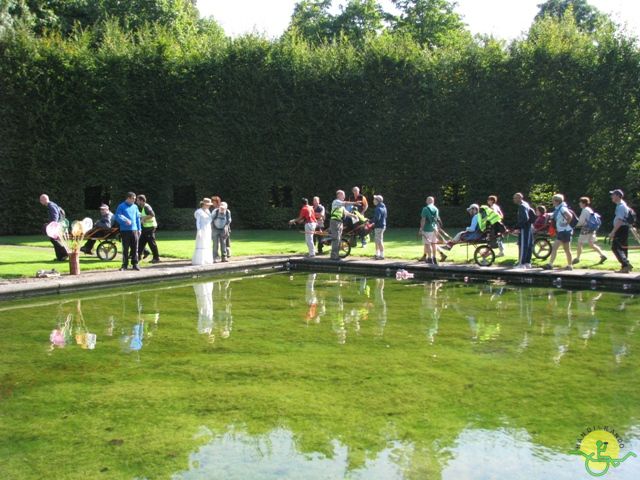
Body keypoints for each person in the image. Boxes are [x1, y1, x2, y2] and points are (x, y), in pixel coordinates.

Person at [543, 194, 574, 270]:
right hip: (563, 231)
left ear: (557, 201)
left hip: (564, 231)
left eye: (553, 200)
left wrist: (566, 223)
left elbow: (570, 216)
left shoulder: (562, 208)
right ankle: (569, 266)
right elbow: (555, 214)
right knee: (564, 249)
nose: (552, 202)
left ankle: (551, 264)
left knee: (558, 248)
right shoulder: (559, 208)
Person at [573, 196, 607, 265]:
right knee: (591, 244)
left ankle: (577, 258)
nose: (579, 204)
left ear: (583, 203)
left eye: (580, 202)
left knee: (580, 243)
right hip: (592, 228)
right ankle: (602, 255)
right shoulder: (589, 209)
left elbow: (581, 221)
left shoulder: (585, 210)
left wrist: (574, 226)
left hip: (586, 228)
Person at [115, 192, 142, 271]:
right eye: (133, 198)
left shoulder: (135, 207)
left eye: (135, 198)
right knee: (125, 248)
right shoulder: (121, 206)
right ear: (128, 198)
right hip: (125, 230)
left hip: (135, 230)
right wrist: (124, 221)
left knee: (135, 248)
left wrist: (139, 229)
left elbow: (137, 218)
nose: (134, 200)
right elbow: (117, 216)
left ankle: (135, 264)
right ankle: (124, 265)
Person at [609, 189, 634, 273]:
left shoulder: (621, 206)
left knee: (615, 247)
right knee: (623, 248)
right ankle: (625, 267)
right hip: (623, 228)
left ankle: (626, 265)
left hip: (621, 228)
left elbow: (620, 220)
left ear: (617, 196)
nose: (611, 196)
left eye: (613, 195)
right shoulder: (621, 205)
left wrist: (613, 232)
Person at [329, 190, 359, 260]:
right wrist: (355, 203)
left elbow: (346, 213)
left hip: (339, 222)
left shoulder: (341, 206)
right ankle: (334, 256)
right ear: (338, 195)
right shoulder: (336, 202)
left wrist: (353, 216)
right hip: (335, 222)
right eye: (343, 195)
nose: (344, 196)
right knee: (336, 239)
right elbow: (345, 203)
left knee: (339, 239)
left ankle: (336, 255)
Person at [39, 194, 68, 261]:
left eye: (41, 200)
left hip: (57, 226)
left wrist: (52, 226)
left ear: (44, 200)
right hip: (58, 225)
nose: (40, 201)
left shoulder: (51, 206)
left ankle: (65, 253)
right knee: (54, 240)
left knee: (54, 240)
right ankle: (60, 257)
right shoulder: (52, 204)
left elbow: (55, 216)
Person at [136, 194, 160, 264]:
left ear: (141, 201)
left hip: (150, 228)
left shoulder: (146, 207)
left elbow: (152, 214)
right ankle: (138, 257)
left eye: (137, 200)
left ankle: (156, 258)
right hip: (145, 228)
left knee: (152, 243)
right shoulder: (144, 207)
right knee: (141, 242)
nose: (136, 202)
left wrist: (143, 218)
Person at [513, 192, 534, 269]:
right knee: (529, 245)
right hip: (529, 227)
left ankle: (521, 264)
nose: (513, 200)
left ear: (519, 198)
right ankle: (527, 263)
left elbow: (525, 218)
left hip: (524, 228)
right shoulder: (526, 204)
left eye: (515, 198)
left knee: (523, 245)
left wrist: (518, 227)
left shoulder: (522, 206)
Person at [193, 198, 213, 265]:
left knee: (207, 243)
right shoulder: (199, 212)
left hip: (208, 229)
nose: (209, 206)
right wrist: (199, 230)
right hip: (202, 229)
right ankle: (200, 261)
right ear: (204, 204)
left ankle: (207, 260)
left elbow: (210, 220)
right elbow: (197, 222)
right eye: (208, 204)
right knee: (202, 244)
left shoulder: (208, 211)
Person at [419, 196, 439, 265]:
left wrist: (421, 229)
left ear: (427, 201)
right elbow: (436, 220)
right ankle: (434, 258)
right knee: (434, 244)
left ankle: (430, 258)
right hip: (435, 228)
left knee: (427, 244)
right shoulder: (436, 209)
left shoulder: (425, 209)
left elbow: (423, 219)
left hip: (427, 229)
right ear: (433, 202)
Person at [372, 195, 387, 260]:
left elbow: (377, 218)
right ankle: (377, 254)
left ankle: (381, 255)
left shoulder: (378, 208)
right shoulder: (384, 207)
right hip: (382, 225)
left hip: (379, 226)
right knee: (377, 240)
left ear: (377, 201)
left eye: (374, 199)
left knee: (379, 241)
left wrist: (370, 221)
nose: (373, 201)